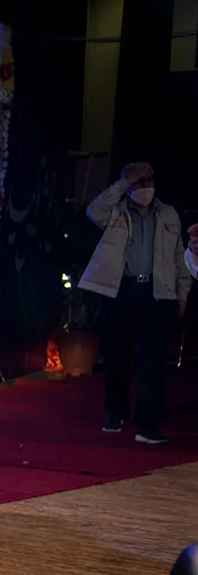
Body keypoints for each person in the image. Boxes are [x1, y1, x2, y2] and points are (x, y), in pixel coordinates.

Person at [79, 162, 191, 444]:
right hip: (122, 291)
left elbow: (179, 257)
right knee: (117, 357)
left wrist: (182, 294)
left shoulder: (167, 213)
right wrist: (122, 184)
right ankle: (115, 413)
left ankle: (146, 425)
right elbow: (93, 211)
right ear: (128, 184)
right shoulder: (116, 211)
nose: (146, 186)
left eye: (149, 180)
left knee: (152, 362)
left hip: (159, 293)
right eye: (140, 181)